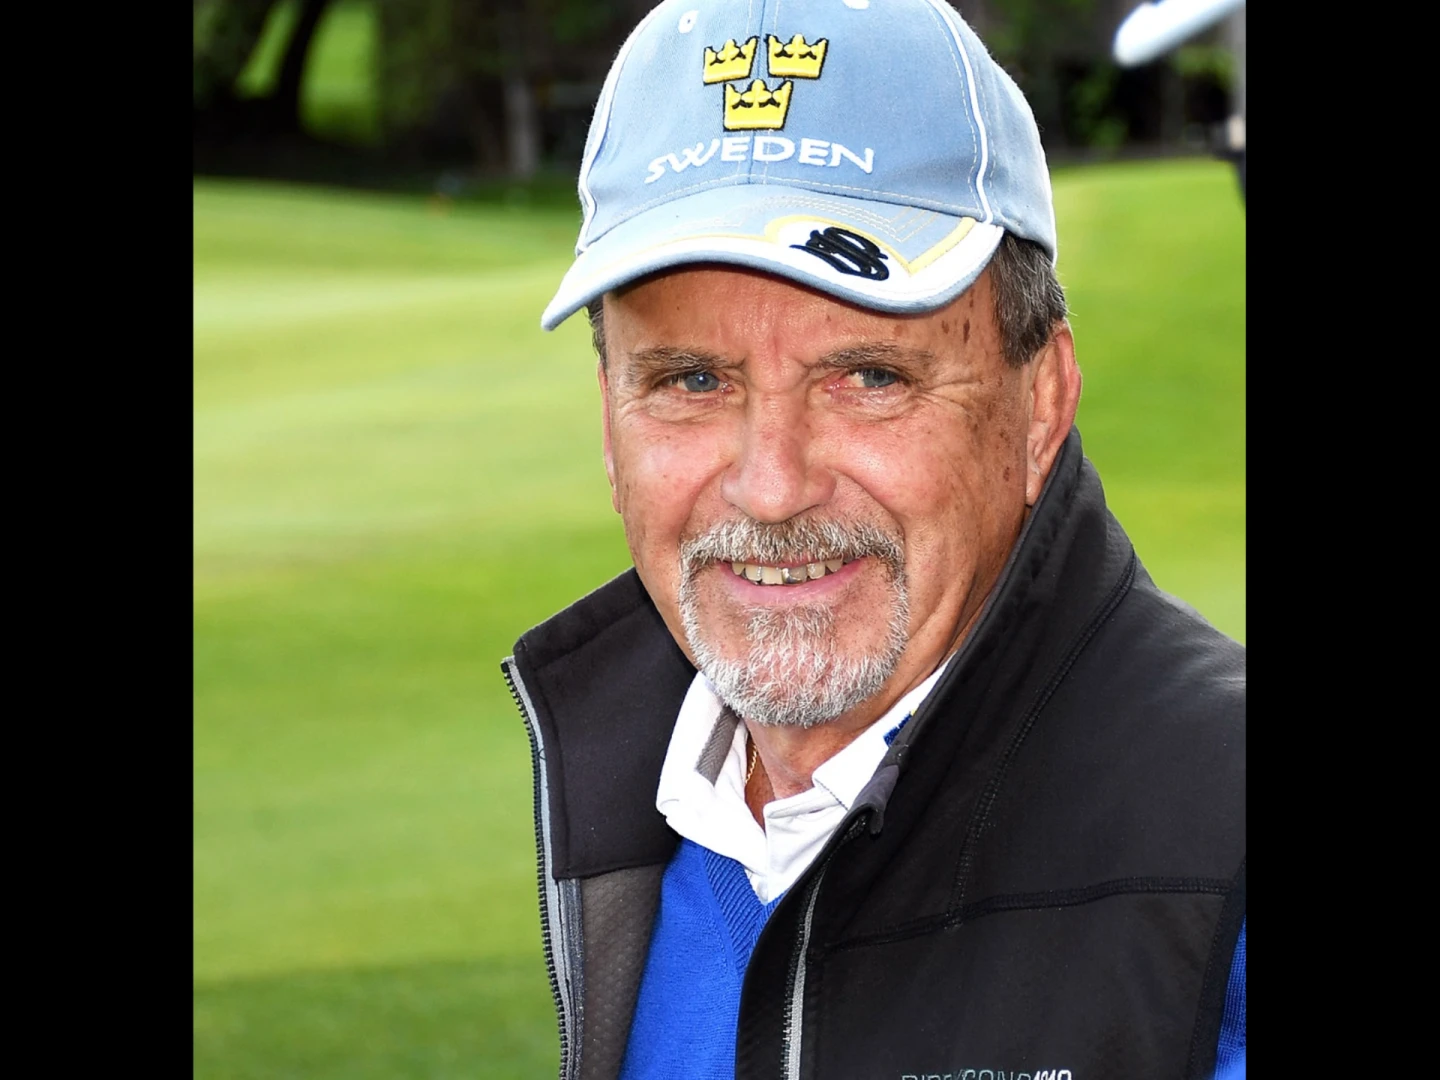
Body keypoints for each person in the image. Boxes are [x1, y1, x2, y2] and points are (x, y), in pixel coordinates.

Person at [501, 1, 1245, 1077]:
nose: (771, 489)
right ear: (610, 418)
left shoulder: (1222, 844)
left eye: (869, 377)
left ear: (1041, 403)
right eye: (692, 380)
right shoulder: (629, 830)